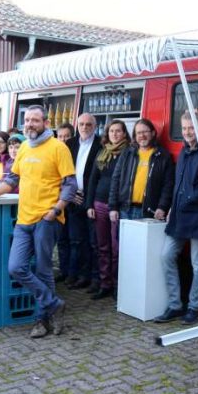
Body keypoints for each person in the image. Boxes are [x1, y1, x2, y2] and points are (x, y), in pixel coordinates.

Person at [0, 105, 76, 339]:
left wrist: (56, 209)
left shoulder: (58, 147)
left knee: (43, 270)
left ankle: (41, 321)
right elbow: (12, 180)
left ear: (45, 122)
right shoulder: (23, 148)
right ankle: (54, 305)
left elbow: (70, 184)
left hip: (47, 218)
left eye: (35, 120)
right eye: (27, 120)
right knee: (16, 267)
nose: (30, 124)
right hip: (24, 218)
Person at [155, 112, 198, 325]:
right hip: (180, 214)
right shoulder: (184, 151)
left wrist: (190, 198)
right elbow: (178, 184)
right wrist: (172, 207)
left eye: (191, 128)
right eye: (184, 128)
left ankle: (193, 307)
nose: (187, 132)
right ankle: (175, 305)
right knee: (166, 256)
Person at [86, 120, 130, 300]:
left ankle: (118, 286)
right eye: (111, 131)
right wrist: (89, 204)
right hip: (99, 204)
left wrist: (117, 206)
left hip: (117, 207)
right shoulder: (103, 152)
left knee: (117, 248)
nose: (115, 134)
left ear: (124, 133)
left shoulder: (128, 153)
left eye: (118, 131)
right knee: (102, 247)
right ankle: (105, 284)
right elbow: (93, 180)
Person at [109, 118, 174, 222]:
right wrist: (113, 207)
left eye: (145, 132)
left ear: (153, 133)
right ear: (135, 136)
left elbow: (168, 185)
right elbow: (115, 180)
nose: (142, 136)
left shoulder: (164, 156)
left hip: (148, 212)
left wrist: (162, 207)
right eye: (138, 133)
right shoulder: (127, 153)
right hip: (125, 210)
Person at [64, 113, 102, 292]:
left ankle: (95, 278)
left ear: (95, 126)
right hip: (73, 198)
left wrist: (91, 200)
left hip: (91, 200)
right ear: (76, 125)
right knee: (76, 241)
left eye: (88, 124)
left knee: (93, 242)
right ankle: (79, 275)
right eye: (81, 124)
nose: (85, 127)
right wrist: (68, 194)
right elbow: (60, 172)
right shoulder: (69, 144)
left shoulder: (102, 145)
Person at [53, 122, 74, 282]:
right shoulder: (54, 153)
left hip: (72, 202)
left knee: (73, 239)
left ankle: (72, 272)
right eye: (60, 136)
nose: (63, 139)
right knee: (61, 239)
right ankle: (63, 270)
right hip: (56, 201)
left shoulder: (75, 152)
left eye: (67, 136)